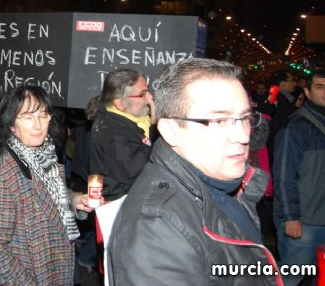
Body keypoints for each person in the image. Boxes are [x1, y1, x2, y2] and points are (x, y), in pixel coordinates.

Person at [110, 58, 280, 285]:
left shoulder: (223, 183)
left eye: (245, 118)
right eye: (218, 120)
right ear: (171, 130)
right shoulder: (157, 227)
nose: (242, 135)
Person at [0, 85, 92, 286]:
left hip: (48, 267)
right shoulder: (2, 175)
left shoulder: (45, 155)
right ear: (11, 124)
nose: (38, 125)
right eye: (28, 117)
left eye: (43, 115)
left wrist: (73, 200)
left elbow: (46, 196)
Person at [274, 69, 325, 286]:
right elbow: (284, 175)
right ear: (307, 91)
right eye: (320, 87)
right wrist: (291, 216)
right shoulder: (296, 126)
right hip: (305, 222)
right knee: (291, 277)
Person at [88, 69, 155, 201]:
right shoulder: (112, 133)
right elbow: (141, 170)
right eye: (142, 95)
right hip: (119, 205)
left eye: (148, 92)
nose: (150, 98)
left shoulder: (132, 120)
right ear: (119, 104)